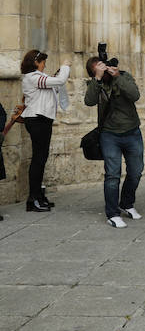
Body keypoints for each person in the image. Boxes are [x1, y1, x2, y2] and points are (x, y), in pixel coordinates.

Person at [85, 55, 144, 228]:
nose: (104, 70)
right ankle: (112, 213)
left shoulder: (123, 76)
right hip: (109, 135)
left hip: (132, 132)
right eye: (99, 68)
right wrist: (97, 78)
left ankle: (126, 203)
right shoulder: (96, 84)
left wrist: (117, 76)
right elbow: (89, 101)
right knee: (112, 175)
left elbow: (134, 95)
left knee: (136, 171)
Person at [21, 50, 70, 213]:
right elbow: (60, 80)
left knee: (41, 159)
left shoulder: (37, 78)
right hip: (37, 120)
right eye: (42, 62)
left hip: (42, 120)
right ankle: (32, 199)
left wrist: (57, 76)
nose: (44, 65)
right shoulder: (33, 77)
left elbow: (53, 86)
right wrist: (65, 66)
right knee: (38, 160)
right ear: (36, 62)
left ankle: (38, 196)